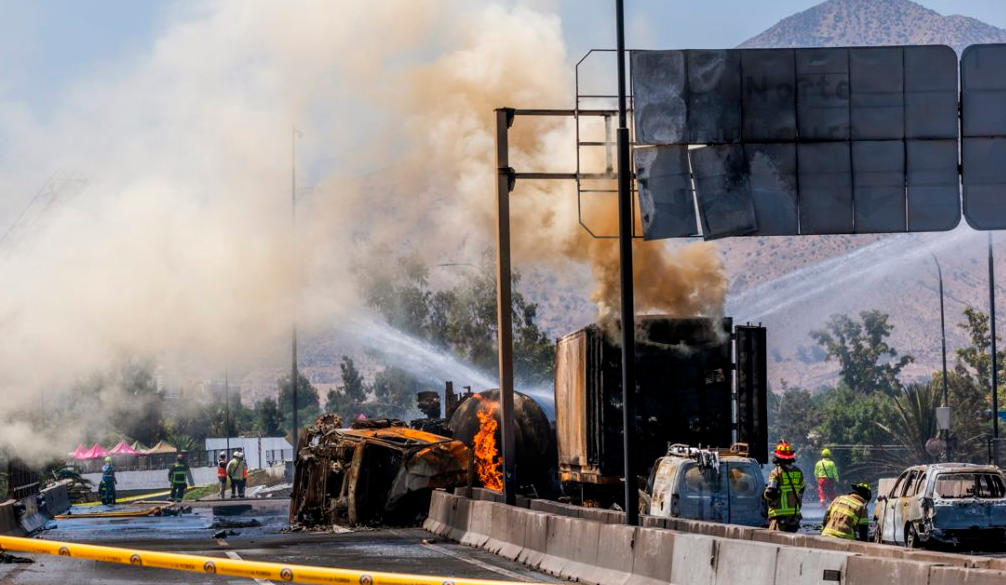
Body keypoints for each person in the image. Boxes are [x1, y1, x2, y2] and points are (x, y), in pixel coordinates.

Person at [763, 441, 806, 532]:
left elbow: (770, 493)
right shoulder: (798, 472)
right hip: (794, 515)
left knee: (777, 542)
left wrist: (764, 494)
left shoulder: (776, 472)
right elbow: (801, 490)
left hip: (778, 515)